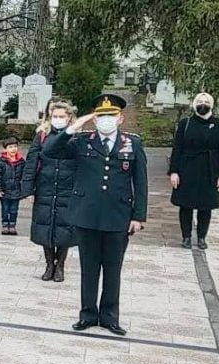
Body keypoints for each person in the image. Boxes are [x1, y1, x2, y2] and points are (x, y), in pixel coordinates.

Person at [42, 94, 148, 336]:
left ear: (120, 118)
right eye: (101, 116)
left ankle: (110, 317)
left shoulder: (132, 144)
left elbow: (140, 182)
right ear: (94, 119)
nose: (106, 120)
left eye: (111, 115)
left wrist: (138, 216)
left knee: (113, 269)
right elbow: (49, 150)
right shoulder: (82, 141)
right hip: (87, 215)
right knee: (88, 269)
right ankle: (87, 314)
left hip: (118, 216)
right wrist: (72, 128)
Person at [21, 99, 78, 282]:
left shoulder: (76, 137)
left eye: (61, 116)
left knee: (64, 228)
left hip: (68, 188)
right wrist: (28, 189)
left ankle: (60, 264)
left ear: (69, 117)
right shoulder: (42, 135)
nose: (58, 119)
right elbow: (31, 162)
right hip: (45, 186)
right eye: (55, 116)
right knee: (44, 226)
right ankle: (49, 263)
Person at [168, 92, 219, 250]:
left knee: (205, 206)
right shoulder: (185, 123)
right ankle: (186, 237)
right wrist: (173, 171)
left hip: (210, 169)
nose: (203, 104)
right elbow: (177, 148)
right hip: (187, 168)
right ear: (194, 104)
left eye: (206, 102)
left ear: (211, 105)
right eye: (200, 101)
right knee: (185, 205)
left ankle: (202, 237)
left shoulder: (218, 125)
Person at [0, 137, 26, 235]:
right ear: (5, 149)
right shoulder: (0, 162)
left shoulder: (21, 162)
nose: (13, 149)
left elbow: (24, 176)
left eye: (15, 146)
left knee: (14, 210)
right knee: (5, 209)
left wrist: (24, 190)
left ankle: (12, 225)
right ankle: (5, 225)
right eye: (10, 147)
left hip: (16, 191)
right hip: (4, 191)